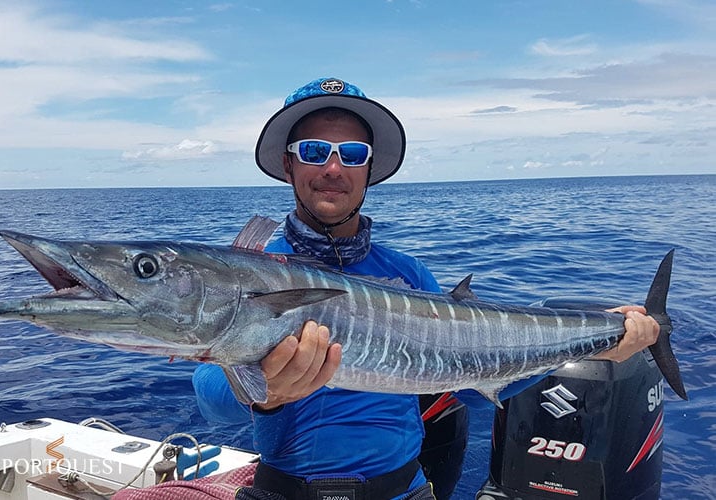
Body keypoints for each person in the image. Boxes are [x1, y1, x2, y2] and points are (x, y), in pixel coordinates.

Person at [192, 77, 660, 500]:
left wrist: (598, 345)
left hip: (405, 491)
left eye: (352, 154)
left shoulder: (408, 274)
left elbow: (471, 384)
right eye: (315, 151)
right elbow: (214, 402)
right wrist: (262, 391)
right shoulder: (250, 268)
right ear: (288, 163)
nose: (334, 168)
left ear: (369, 169)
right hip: (286, 492)